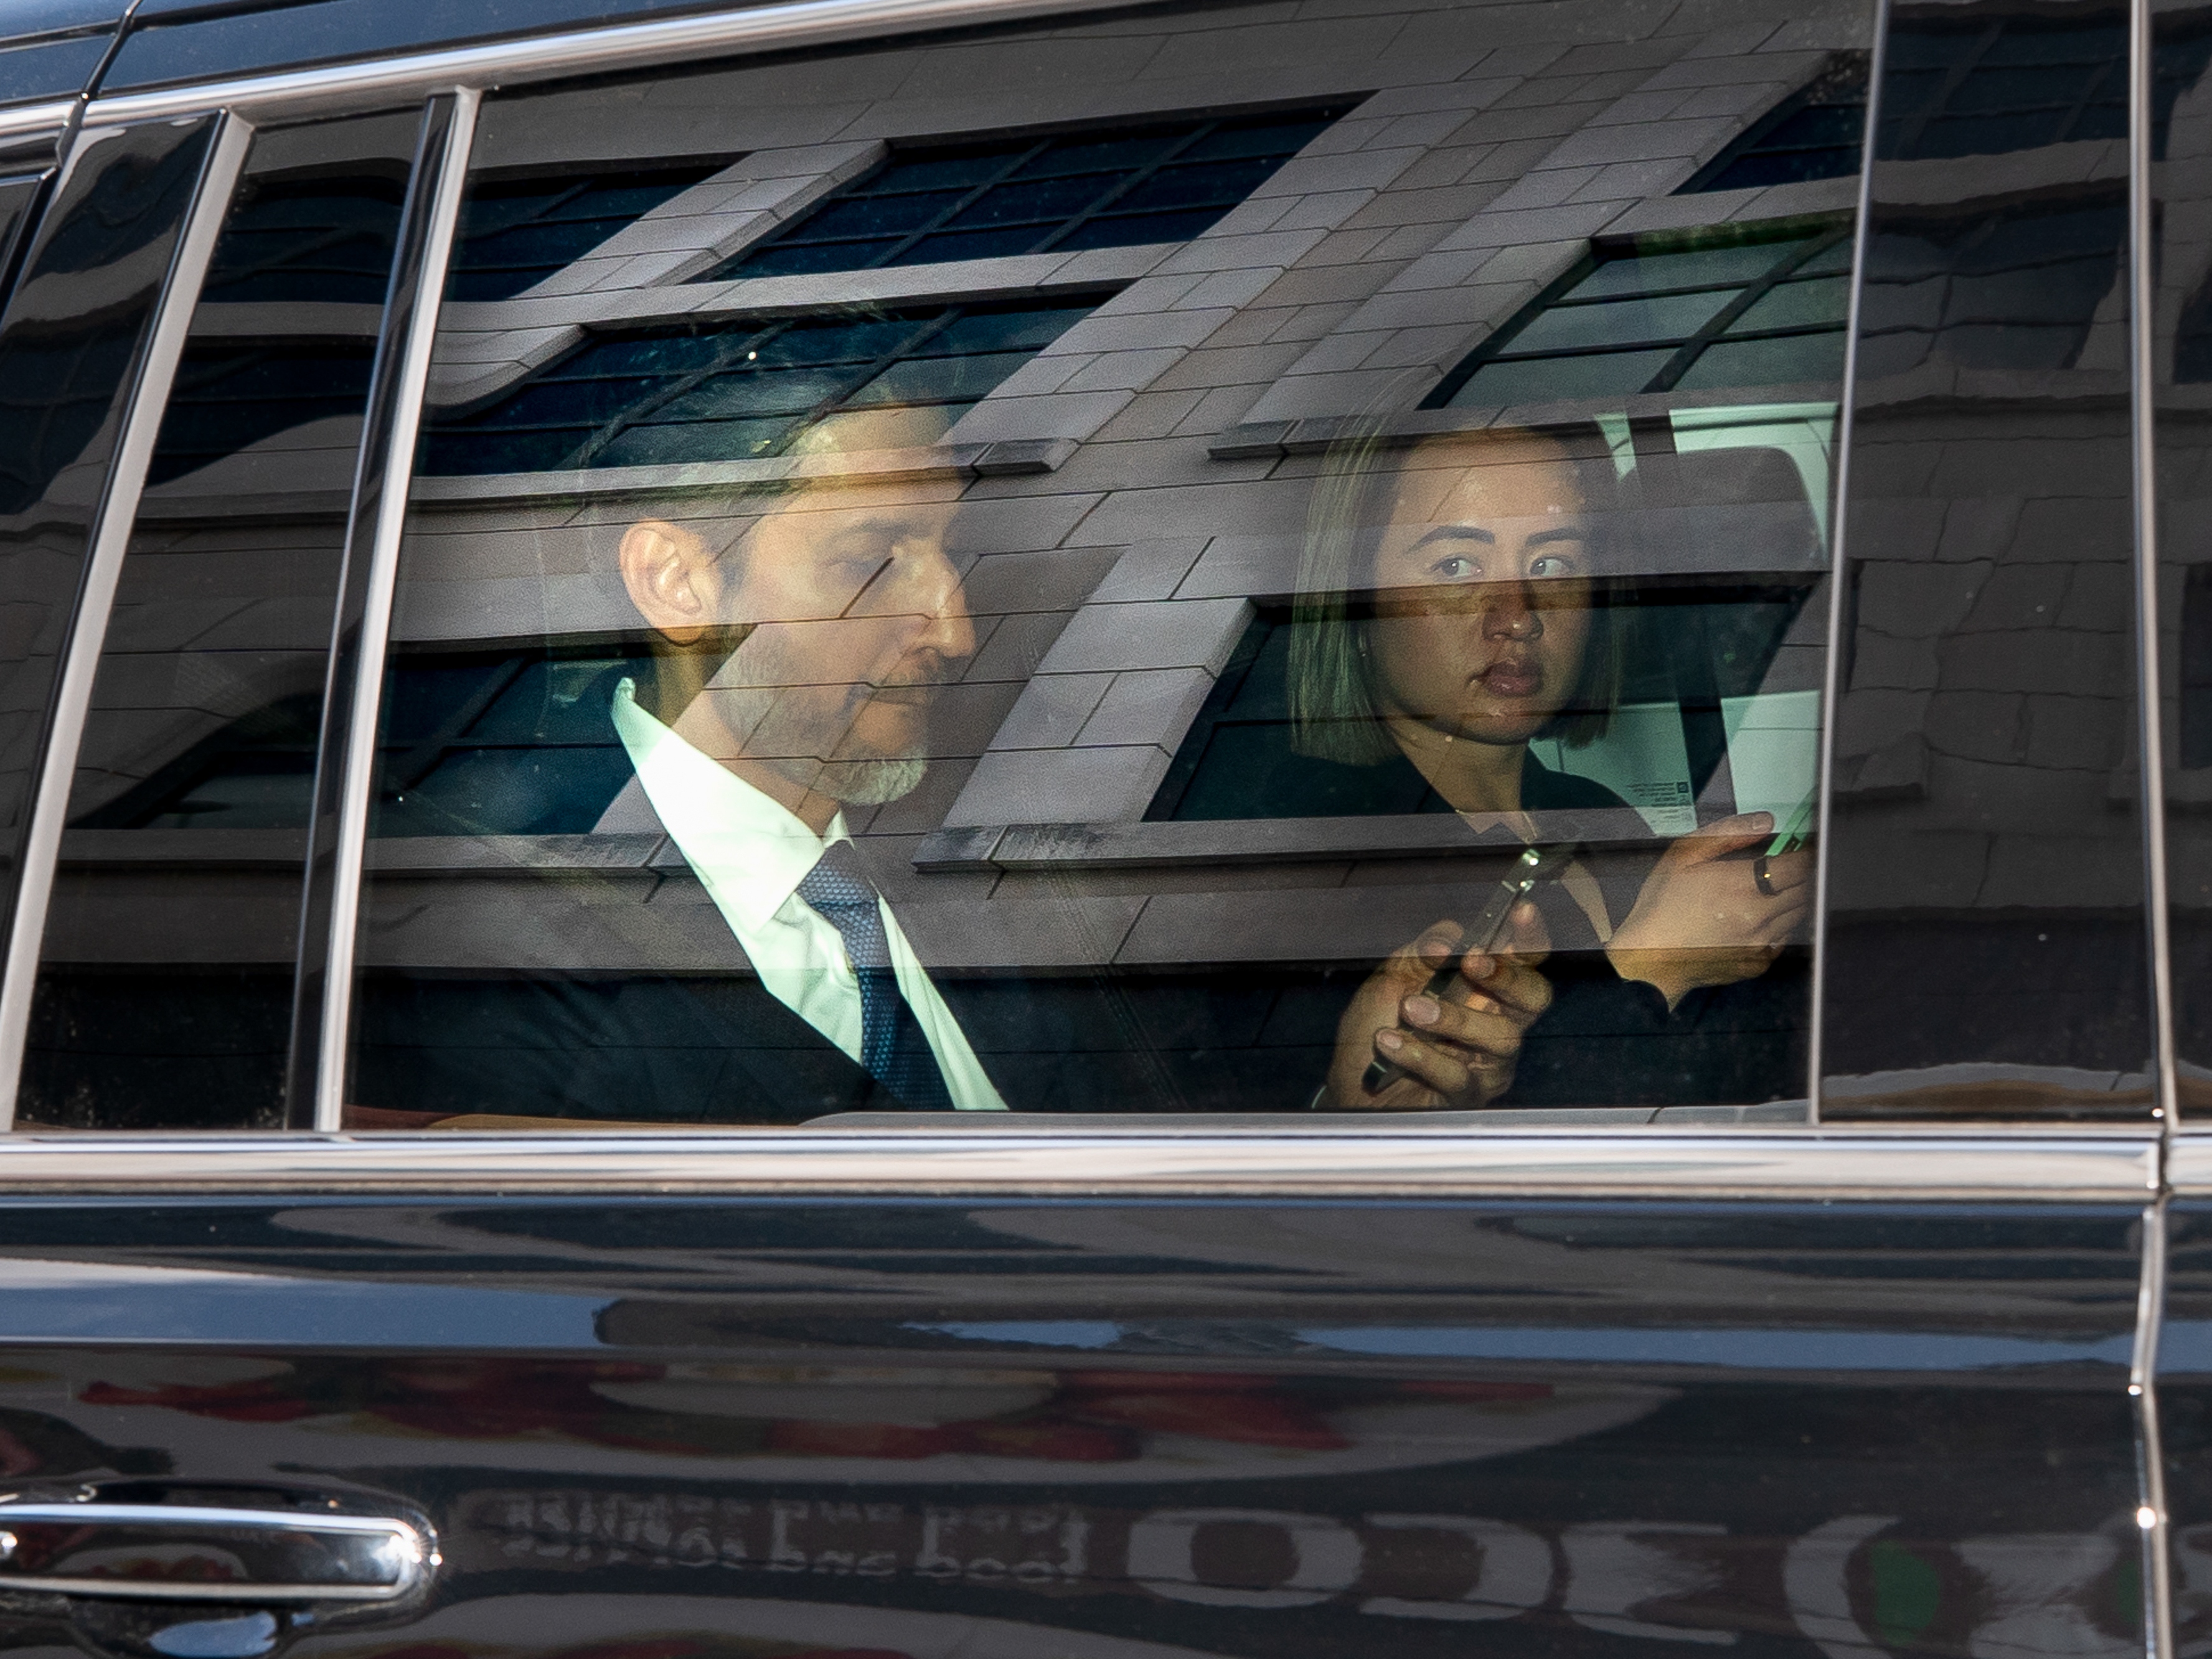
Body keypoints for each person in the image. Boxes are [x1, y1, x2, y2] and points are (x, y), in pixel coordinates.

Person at [1292, 425, 1812, 1111]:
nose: (1519, 617)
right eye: (1455, 566)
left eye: (1551, 564)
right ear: (1355, 602)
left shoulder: (1587, 811)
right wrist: (1648, 966)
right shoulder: (1299, 853)